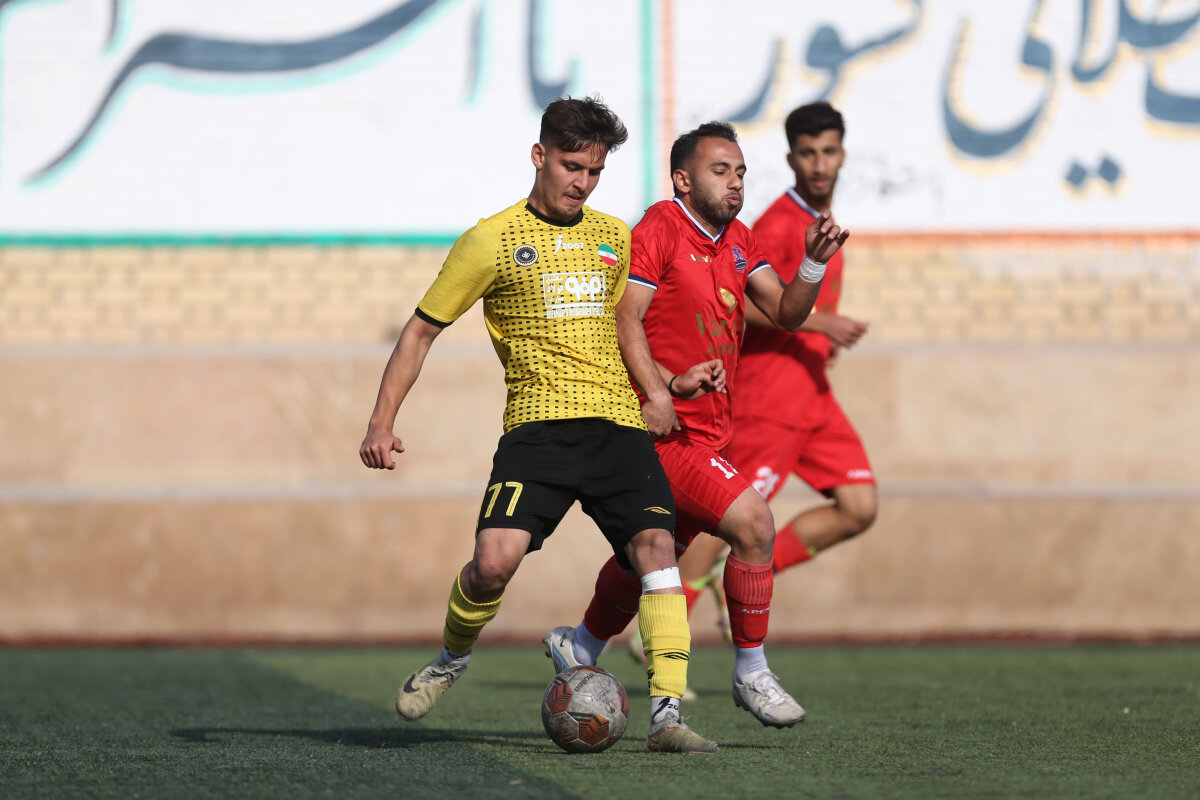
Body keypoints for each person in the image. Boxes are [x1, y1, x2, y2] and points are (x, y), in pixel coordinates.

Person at [359, 96, 720, 754]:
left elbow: (624, 330)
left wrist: (665, 386)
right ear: (539, 156)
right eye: (571, 166)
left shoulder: (614, 236)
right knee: (491, 565)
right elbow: (419, 332)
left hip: (616, 425)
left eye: (595, 171)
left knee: (658, 553)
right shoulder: (489, 241)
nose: (582, 182)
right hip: (538, 430)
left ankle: (667, 715)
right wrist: (381, 422)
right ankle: (450, 659)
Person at [543, 121, 849, 728]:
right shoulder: (661, 226)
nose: (735, 182)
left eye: (740, 172)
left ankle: (580, 644)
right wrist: (659, 392)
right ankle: (752, 671)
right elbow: (625, 316)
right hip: (663, 432)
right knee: (754, 524)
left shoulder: (740, 239)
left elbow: (786, 313)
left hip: (713, 431)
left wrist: (813, 264)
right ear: (683, 180)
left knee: (647, 556)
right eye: (720, 170)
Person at [676, 101, 877, 619]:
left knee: (859, 506)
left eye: (828, 152)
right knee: (727, 518)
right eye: (808, 153)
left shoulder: (820, 224)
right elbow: (733, 297)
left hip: (813, 395)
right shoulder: (778, 224)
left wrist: (823, 340)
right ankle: (662, 626)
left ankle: (731, 580)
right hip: (770, 398)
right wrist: (823, 325)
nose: (819, 164)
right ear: (791, 159)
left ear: (843, 155)